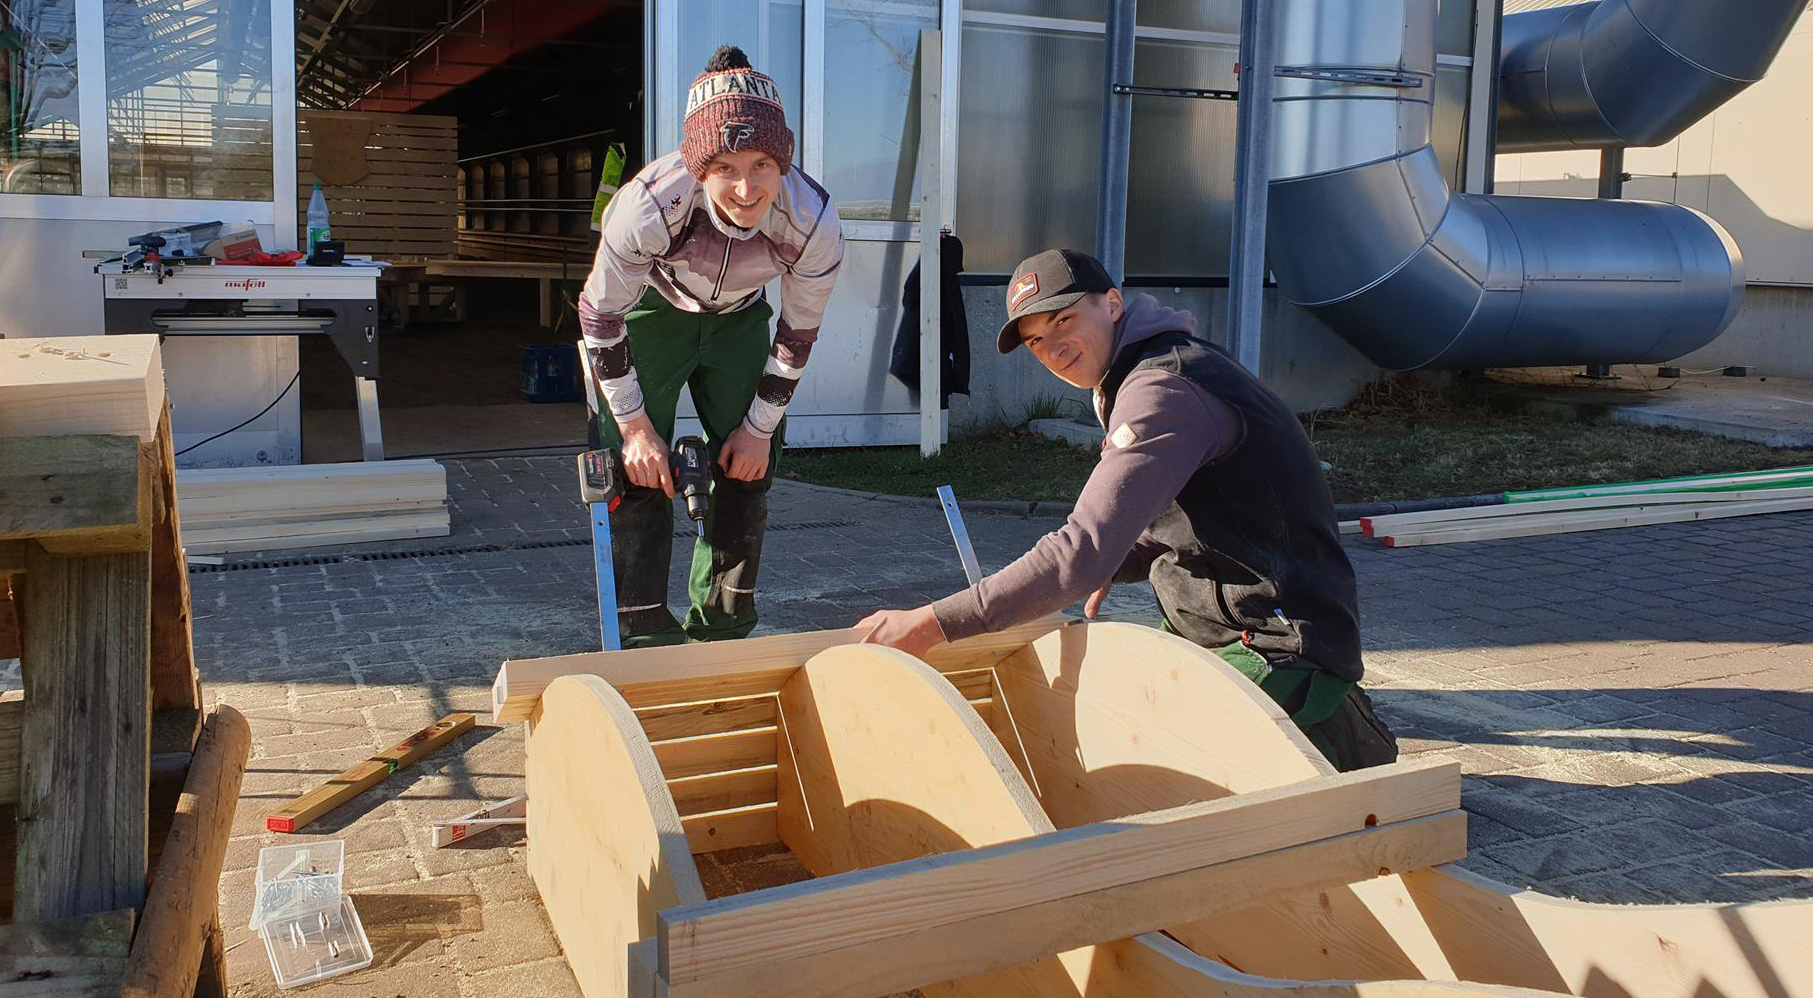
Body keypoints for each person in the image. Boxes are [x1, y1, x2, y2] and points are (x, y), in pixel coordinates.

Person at [856, 249, 1396, 771]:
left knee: (1163, 778)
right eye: (1036, 340)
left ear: (1112, 303)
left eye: (1063, 320)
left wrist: (930, 624)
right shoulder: (1147, 370)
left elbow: (1078, 553)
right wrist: (1118, 557)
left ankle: (1333, 727)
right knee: (1121, 726)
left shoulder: (1163, 387)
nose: (1053, 348)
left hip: (1277, 638)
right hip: (1216, 621)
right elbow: (1197, 517)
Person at [580, 45, 844, 648]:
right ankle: (641, 628)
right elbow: (599, 315)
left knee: (750, 464)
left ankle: (724, 626)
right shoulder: (646, 204)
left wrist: (756, 430)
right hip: (652, 310)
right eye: (725, 166)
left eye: (762, 165)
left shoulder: (813, 221)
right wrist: (635, 428)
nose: (746, 188)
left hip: (741, 318)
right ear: (698, 168)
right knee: (636, 468)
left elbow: (797, 334)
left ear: (784, 163)